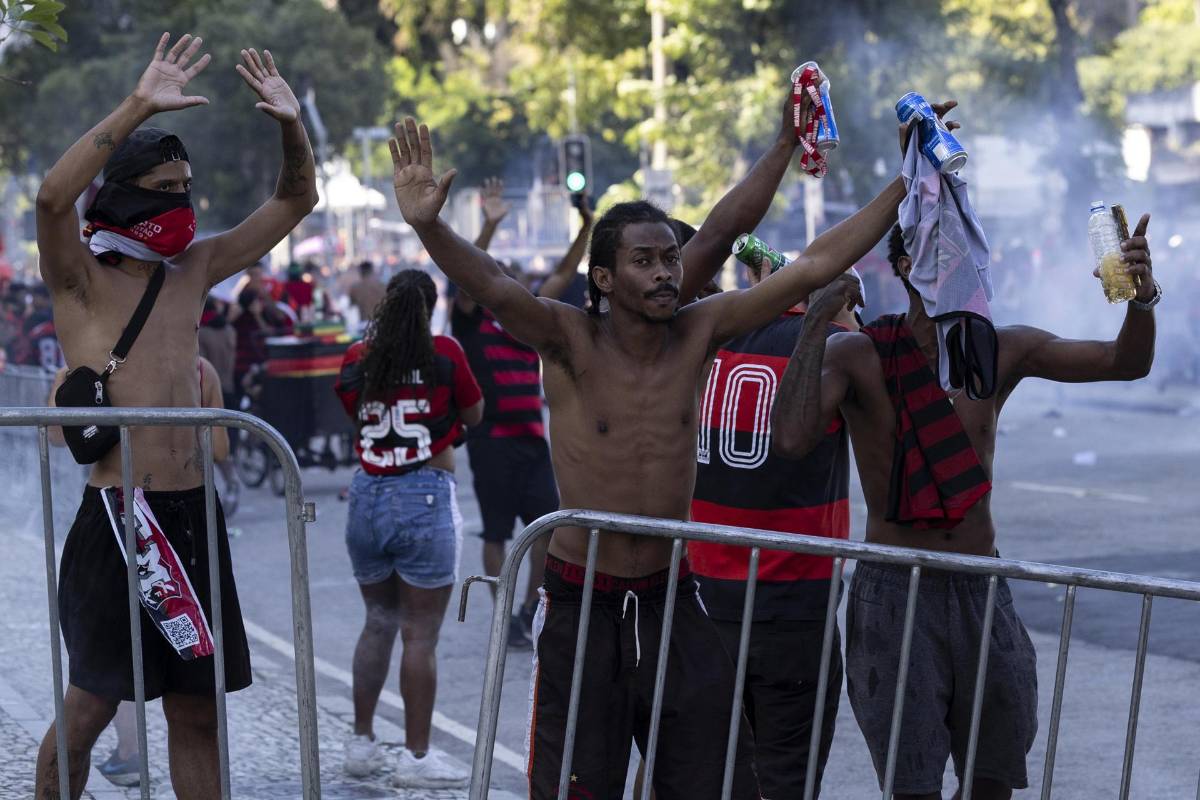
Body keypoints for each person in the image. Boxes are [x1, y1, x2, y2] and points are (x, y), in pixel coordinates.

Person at [389, 84, 922, 796]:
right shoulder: (568, 337)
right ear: (604, 279)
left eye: (671, 258)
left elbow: (807, 264)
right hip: (582, 602)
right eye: (645, 261)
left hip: (673, 595)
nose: (667, 272)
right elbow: (490, 283)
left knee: (703, 780)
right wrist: (430, 228)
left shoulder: (698, 330)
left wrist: (897, 176)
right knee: (578, 784)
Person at [770, 218, 1157, 800]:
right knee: (913, 785)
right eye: (946, 252)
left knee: (993, 777)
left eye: (970, 253)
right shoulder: (858, 355)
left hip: (981, 583)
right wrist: (814, 323)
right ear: (907, 266)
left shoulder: (998, 349)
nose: (964, 265)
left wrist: (1142, 299)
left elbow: (1123, 362)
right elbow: (791, 438)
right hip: (896, 591)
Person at [33, 33, 317, 798]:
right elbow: (53, 199)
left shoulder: (197, 266)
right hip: (118, 519)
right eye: (164, 187)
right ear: (125, 192)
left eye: (186, 187)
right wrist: (137, 106)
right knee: (89, 711)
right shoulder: (79, 279)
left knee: (196, 713)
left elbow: (296, 201)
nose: (180, 201)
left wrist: (292, 126)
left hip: (193, 517)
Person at [687, 254, 861, 799]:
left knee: (708, 775)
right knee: (786, 778)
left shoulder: (704, 340)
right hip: (794, 603)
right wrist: (844, 316)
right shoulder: (834, 345)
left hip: (704, 601)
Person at [47, 357, 230, 787]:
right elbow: (219, 448)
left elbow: (57, 435)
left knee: (123, 687)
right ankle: (129, 749)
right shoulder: (199, 370)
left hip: (141, 515)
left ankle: (129, 748)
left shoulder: (84, 372)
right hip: (136, 517)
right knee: (97, 694)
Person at [334, 270, 484, 788]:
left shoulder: (358, 357)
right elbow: (475, 413)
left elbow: (353, 411)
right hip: (424, 491)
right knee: (419, 633)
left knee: (378, 620)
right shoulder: (444, 352)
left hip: (367, 494)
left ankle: (361, 744)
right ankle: (416, 759)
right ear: (429, 306)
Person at [449, 177, 593, 648]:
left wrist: (586, 226)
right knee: (496, 534)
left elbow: (564, 273)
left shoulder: (530, 323)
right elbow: (466, 274)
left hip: (531, 442)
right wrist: (489, 226)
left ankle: (530, 608)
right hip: (491, 443)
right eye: (500, 276)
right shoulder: (472, 323)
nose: (510, 282)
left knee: (546, 529)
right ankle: (502, 614)